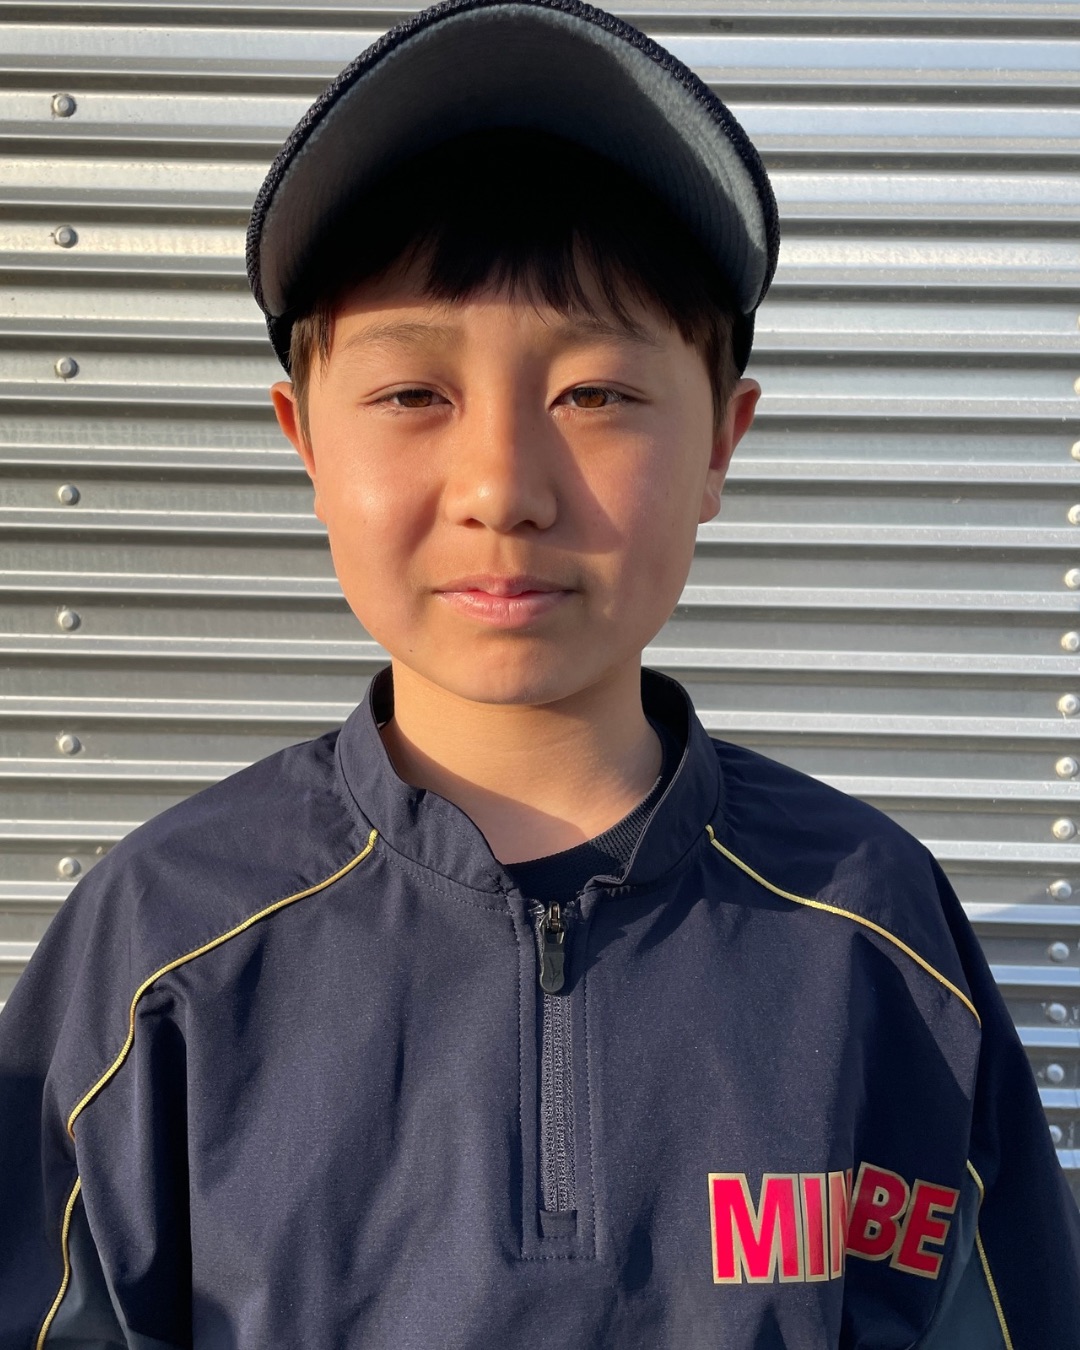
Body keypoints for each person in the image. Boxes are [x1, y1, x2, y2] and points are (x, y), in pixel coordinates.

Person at [2, 0, 1078, 1346]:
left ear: (721, 442)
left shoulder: (876, 933)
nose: (504, 487)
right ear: (305, 440)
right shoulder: (161, 947)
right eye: (415, 394)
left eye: (597, 394)